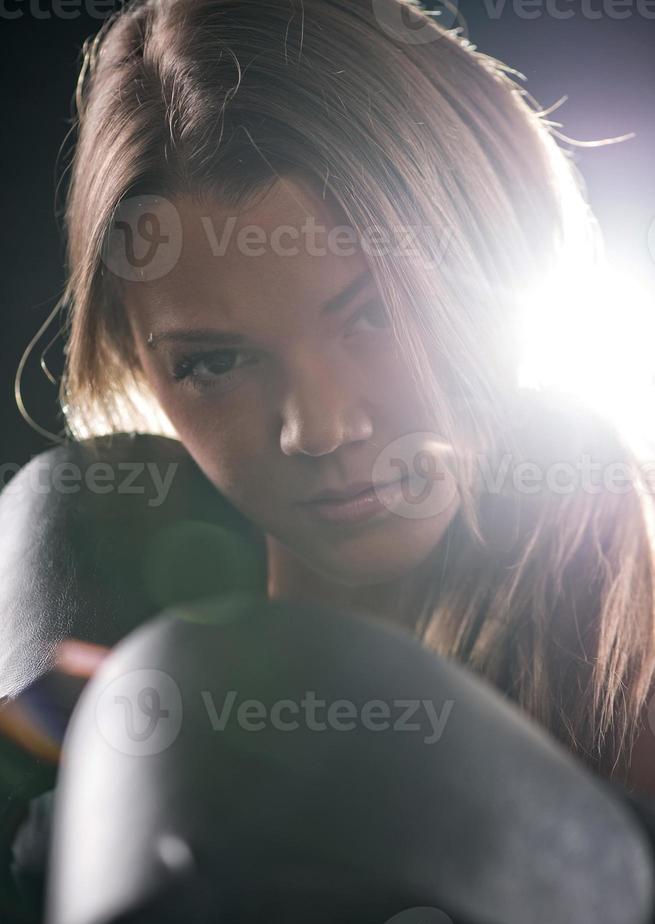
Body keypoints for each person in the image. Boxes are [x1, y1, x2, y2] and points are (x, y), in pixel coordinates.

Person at [27, 0, 655, 792]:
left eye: (375, 314)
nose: (320, 428)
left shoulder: (633, 692)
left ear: (502, 248)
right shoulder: (95, 661)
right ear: (133, 361)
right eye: (214, 363)